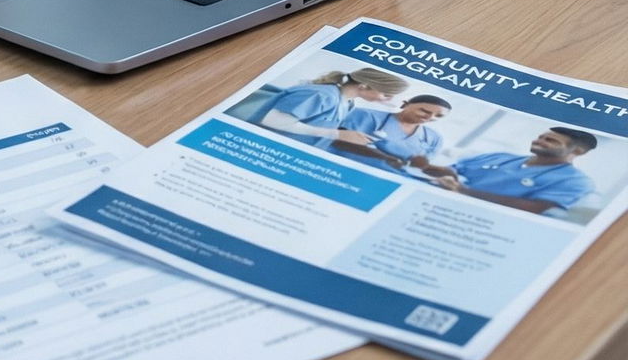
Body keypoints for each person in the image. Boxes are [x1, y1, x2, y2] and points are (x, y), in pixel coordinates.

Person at [420, 127, 597, 216]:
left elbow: (536, 208)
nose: (538, 141)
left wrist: (463, 191)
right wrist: (426, 166)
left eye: (550, 140)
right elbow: (453, 171)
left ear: (578, 151)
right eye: (540, 137)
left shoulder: (576, 181)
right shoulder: (499, 156)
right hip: (435, 205)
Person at [253, 67, 407, 148]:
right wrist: (336, 134)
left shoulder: (348, 104)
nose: (388, 100)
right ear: (364, 86)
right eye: (386, 94)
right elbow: (272, 120)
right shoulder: (321, 95)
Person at [334, 94, 451, 169]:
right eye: (424, 111)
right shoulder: (366, 115)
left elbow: (422, 165)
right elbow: (338, 141)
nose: (430, 117)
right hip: (348, 167)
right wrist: (385, 157)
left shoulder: (434, 138)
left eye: (438, 116)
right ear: (405, 105)